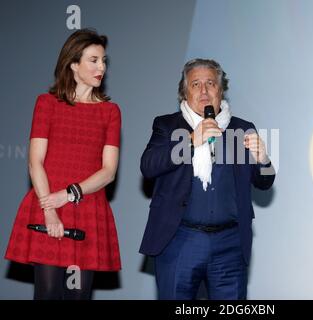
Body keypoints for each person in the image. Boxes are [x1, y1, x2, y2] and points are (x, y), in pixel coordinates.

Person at [139, 58, 275, 299]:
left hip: (230, 245)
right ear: (184, 92)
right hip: (180, 240)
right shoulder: (167, 125)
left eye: (210, 83)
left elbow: (264, 182)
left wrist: (263, 159)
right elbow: (148, 166)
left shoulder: (241, 129)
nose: (203, 91)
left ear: (221, 90)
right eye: (195, 84)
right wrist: (190, 141)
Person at [5, 29, 121, 300]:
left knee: (78, 294)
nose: (101, 67)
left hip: (87, 206)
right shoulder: (47, 104)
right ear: (73, 64)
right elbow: (36, 162)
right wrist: (49, 209)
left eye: (104, 60)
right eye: (93, 60)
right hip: (47, 204)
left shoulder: (110, 112)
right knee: (46, 292)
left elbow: (108, 171)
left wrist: (69, 195)